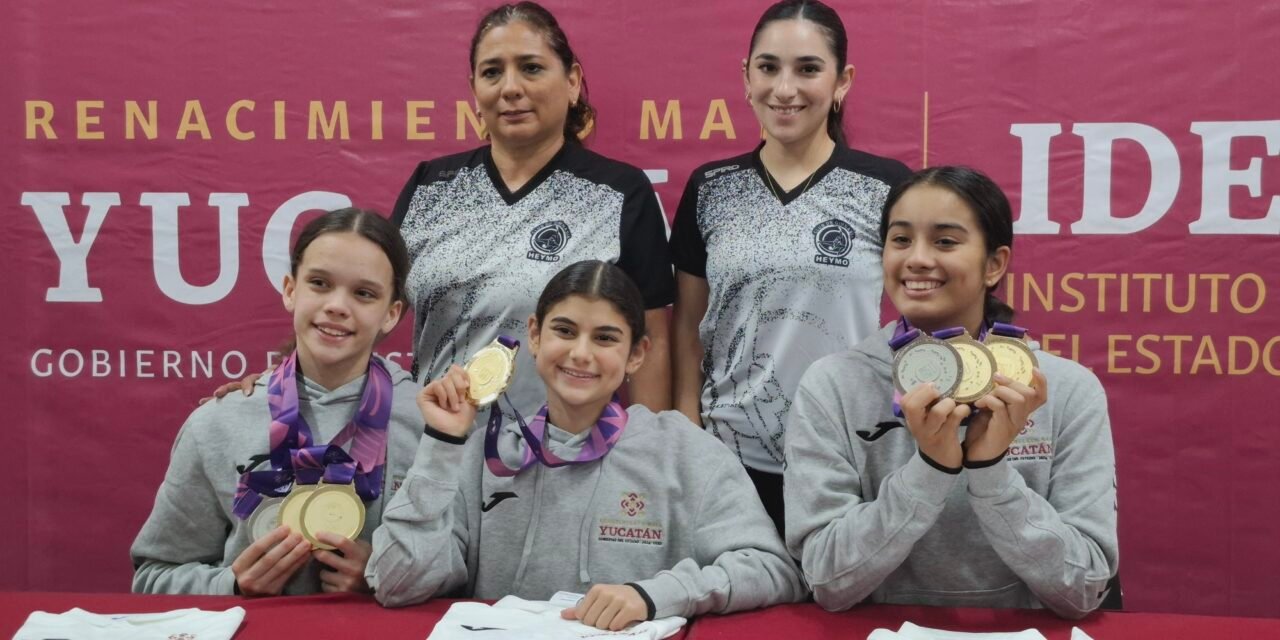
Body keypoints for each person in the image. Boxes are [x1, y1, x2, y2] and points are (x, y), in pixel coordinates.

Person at [367, 260, 805, 630]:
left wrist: (654, 595)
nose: (580, 353)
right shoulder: (485, 454)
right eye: (565, 330)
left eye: (605, 338)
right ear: (535, 337)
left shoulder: (683, 451)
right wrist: (443, 443)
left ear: (637, 354)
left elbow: (773, 569)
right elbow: (396, 583)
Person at [784, 166, 1119, 618]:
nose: (917, 259)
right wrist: (930, 468)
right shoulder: (832, 385)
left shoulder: (1062, 389)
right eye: (900, 240)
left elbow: (1085, 588)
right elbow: (827, 581)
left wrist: (990, 471)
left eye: (945, 241)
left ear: (995, 264)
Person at [670, 0, 911, 534]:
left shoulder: (886, 186)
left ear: (842, 81)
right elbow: (686, 327)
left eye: (808, 69)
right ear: (746, 77)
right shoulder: (712, 188)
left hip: (846, 451)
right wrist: (688, 435)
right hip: (729, 456)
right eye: (769, 67)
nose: (785, 89)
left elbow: (925, 309)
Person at [393, 1, 674, 431]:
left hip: (564, 455)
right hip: (433, 445)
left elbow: (650, 344)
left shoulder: (620, 193)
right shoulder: (431, 186)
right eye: (492, 72)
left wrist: (651, 454)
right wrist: (279, 384)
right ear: (474, 90)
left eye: (531, 68)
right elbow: (364, 309)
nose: (510, 87)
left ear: (573, 81)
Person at [131, 208, 425, 596]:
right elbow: (152, 576)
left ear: (391, 314)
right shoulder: (217, 423)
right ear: (290, 290)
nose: (338, 305)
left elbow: (467, 573)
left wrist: (386, 573)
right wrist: (230, 584)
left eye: (364, 293)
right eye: (319, 283)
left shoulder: (431, 427)